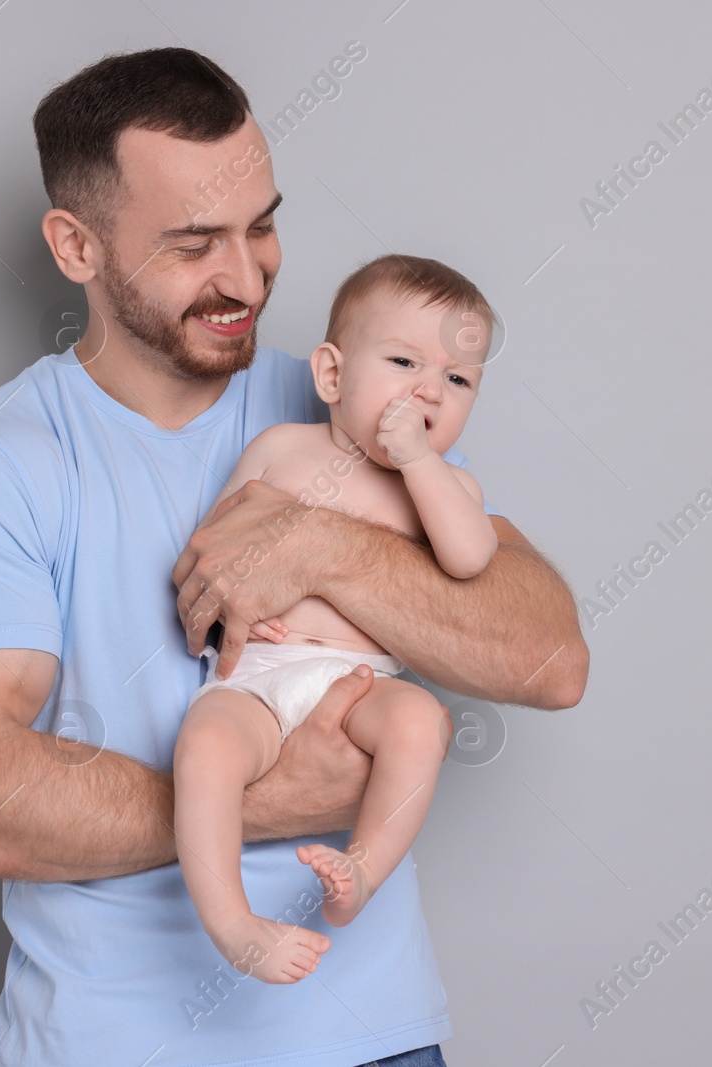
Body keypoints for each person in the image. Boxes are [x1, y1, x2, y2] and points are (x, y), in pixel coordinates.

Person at [0, 46, 589, 1067]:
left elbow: (545, 656)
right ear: (75, 245)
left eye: (262, 224)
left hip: (371, 1039)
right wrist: (271, 798)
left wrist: (318, 543)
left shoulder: (356, 405)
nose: (246, 273)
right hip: (112, 1046)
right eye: (193, 242)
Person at [174, 254, 500, 985]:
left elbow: (471, 556)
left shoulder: (448, 488)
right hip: (259, 677)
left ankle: (363, 866)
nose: (429, 388)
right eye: (405, 360)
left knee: (421, 722)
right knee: (204, 750)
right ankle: (232, 921)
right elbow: (212, 561)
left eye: (458, 380)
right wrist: (239, 621)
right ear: (332, 375)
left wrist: (418, 459)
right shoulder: (282, 450)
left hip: (361, 685)